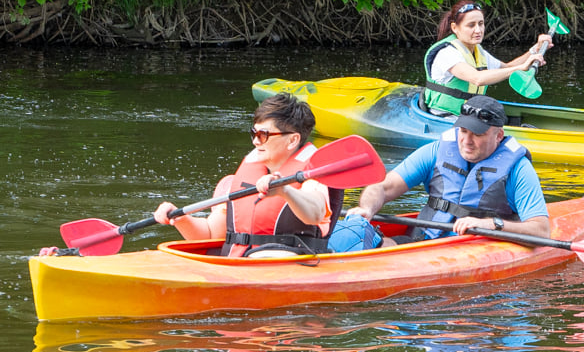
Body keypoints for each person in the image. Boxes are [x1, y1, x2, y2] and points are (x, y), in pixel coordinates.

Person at [347, 94, 550, 245]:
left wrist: (493, 225)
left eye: (478, 134)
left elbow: (541, 231)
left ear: (498, 136)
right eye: (463, 131)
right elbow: (383, 187)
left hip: (477, 248)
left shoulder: (518, 169)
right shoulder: (436, 151)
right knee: (372, 241)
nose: (467, 141)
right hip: (425, 239)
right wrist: (367, 208)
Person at [153, 93, 339, 257]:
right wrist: (180, 219)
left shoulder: (312, 174)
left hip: (291, 262)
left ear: (292, 140)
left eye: (264, 134)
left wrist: (284, 190)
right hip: (242, 262)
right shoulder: (241, 177)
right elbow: (210, 234)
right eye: (254, 133)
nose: (256, 141)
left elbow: (315, 213)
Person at [422, 0, 554, 116]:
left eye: (481, 23)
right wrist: (521, 67)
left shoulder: (478, 51)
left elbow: (508, 67)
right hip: (445, 116)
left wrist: (535, 49)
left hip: (469, 114)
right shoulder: (447, 53)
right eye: (471, 25)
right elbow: (477, 78)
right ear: (454, 27)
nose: (478, 30)